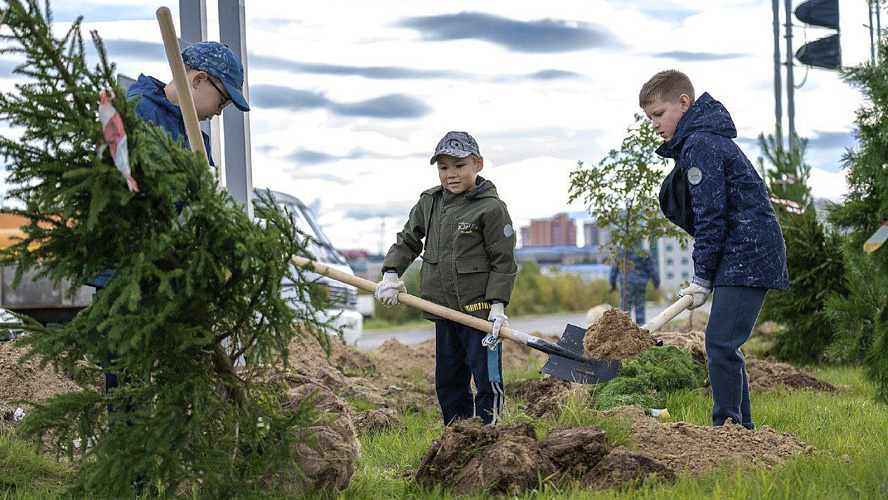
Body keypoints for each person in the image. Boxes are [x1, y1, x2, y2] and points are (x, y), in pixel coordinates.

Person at [87, 40, 250, 395]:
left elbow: (204, 206)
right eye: (222, 100)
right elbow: (122, 188)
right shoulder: (131, 111)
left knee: (175, 389)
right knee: (128, 386)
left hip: (171, 276)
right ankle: (127, 448)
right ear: (198, 80)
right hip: (125, 274)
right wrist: (184, 200)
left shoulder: (197, 139)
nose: (221, 112)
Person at [639, 70, 788, 430]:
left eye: (659, 114)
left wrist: (702, 275)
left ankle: (727, 428)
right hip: (740, 253)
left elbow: (711, 216)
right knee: (725, 346)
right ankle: (741, 431)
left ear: (683, 104)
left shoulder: (701, 144)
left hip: (748, 255)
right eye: (650, 119)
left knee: (720, 344)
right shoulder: (700, 140)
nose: (655, 125)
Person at [375, 131, 518, 426]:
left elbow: (503, 261)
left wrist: (498, 305)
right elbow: (408, 240)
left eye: (459, 165)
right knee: (449, 381)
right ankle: (457, 435)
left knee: (486, 378)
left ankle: (492, 433)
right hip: (442, 309)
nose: (451, 174)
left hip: (479, 314)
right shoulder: (430, 202)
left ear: (477, 164)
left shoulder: (491, 208)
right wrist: (391, 273)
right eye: (444, 167)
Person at [609, 244, 659, 324]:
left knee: (625, 310)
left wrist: (613, 285)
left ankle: (625, 329)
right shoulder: (644, 253)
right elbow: (653, 269)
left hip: (626, 284)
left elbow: (613, 270)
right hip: (641, 283)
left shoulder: (621, 253)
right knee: (640, 309)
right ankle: (640, 329)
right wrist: (656, 284)